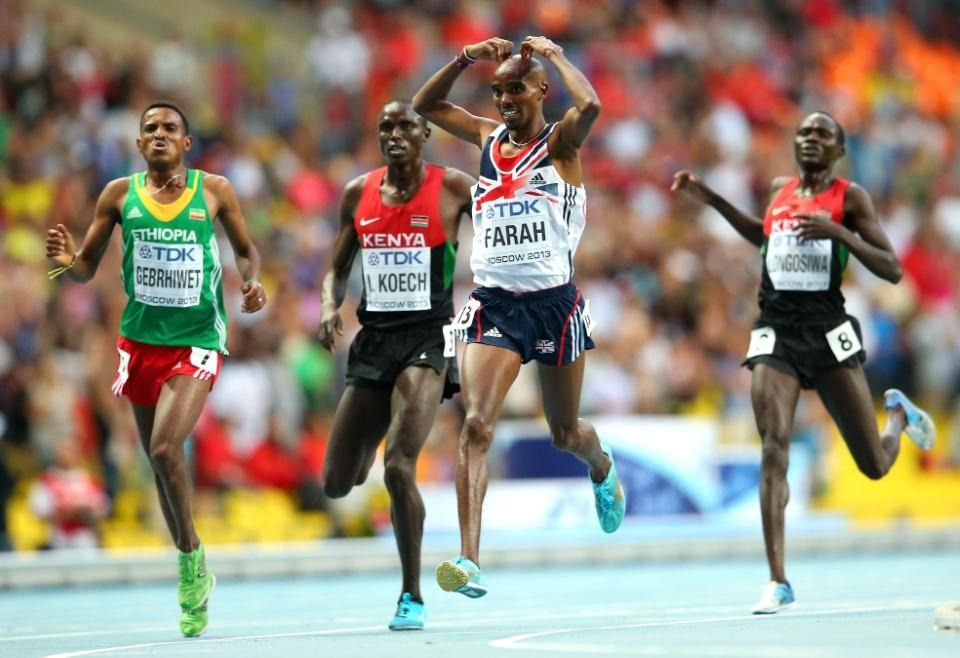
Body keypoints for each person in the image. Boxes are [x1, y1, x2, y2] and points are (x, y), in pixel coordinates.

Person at [671, 111, 936, 614]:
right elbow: (762, 236)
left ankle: (898, 416)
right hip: (776, 331)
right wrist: (711, 199)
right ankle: (778, 580)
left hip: (827, 331)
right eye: (804, 133)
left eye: (823, 135)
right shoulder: (779, 188)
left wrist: (840, 235)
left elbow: (894, 270)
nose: (811, 139)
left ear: (838, 151)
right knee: (774, 447)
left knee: (874, 465)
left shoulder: (851, 198)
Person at [412, 35, 626, 599]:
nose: (505, 99)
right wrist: (464, 58)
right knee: (477, 425)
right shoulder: (486, 137)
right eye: (498, 90)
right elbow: (425, 107)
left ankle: (600, 464)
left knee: (564, 434)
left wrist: (553, 55)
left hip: (554, 305)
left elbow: (594, 106)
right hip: (495, 304)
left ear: (539, 92)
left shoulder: (562, 145)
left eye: (515, 89)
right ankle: (469, 560)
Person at [45, 100, 266, 637]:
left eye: (170, 127)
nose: (160, 133)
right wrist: (68, 261)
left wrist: (252, 282)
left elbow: (246, 250)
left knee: (168, 448)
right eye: (150, 129)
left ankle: (191, 561)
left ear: (187, 143)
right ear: (139, 145)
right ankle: (190, 565)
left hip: (196, 341)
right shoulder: (118, 196)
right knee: (158, 464)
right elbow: (85, 271)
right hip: (141, 343)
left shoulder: (214, 191)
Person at [316, 99, 475, 630]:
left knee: (399, 465)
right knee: (338, 482)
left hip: (428, 339)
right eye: (385, 126)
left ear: (425, 133)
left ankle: (411, 596)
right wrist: (327, 306)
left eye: (406, 124)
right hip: (374, 340)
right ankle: (367, 464)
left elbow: (500, 222)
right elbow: (336, 268)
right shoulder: (357, 193)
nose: (395, 133)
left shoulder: (454, 187)